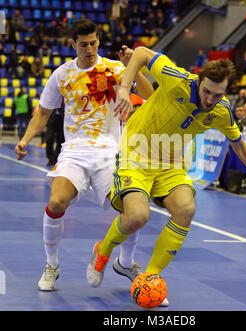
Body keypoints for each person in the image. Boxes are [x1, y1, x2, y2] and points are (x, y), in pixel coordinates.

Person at [86, 46, 246, 302]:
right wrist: (125, 88)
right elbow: (140, 53)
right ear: (199, 80)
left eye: (218, 94)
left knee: (186, 209)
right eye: (206, 92)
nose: (209, 100)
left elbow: (239, 144)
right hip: (136, 153)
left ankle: (150, 278)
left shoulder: (221, 110)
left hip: (170, 164)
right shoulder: (177, 77)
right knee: (137, 216)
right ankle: (102, 252)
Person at [14, 19, 154, 293]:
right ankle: (52, 264)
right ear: (73, 44)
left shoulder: (115, 69)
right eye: (83, 44)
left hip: (111, 152)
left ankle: (125, 262)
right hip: (75, 151)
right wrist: (25, 139)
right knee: (56, 202)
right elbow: (43, 112)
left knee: (132, 212)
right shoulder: (62, 75)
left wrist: (134, 69)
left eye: (93, 43)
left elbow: (151, 97)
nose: (89, 49)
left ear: (98, 41)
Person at [45, 102, 65, 167]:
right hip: (51, 120)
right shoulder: (52, 94)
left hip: (62, 120)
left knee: (60, 141)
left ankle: (56, 159)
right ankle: (50, 157)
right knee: (49, 139)